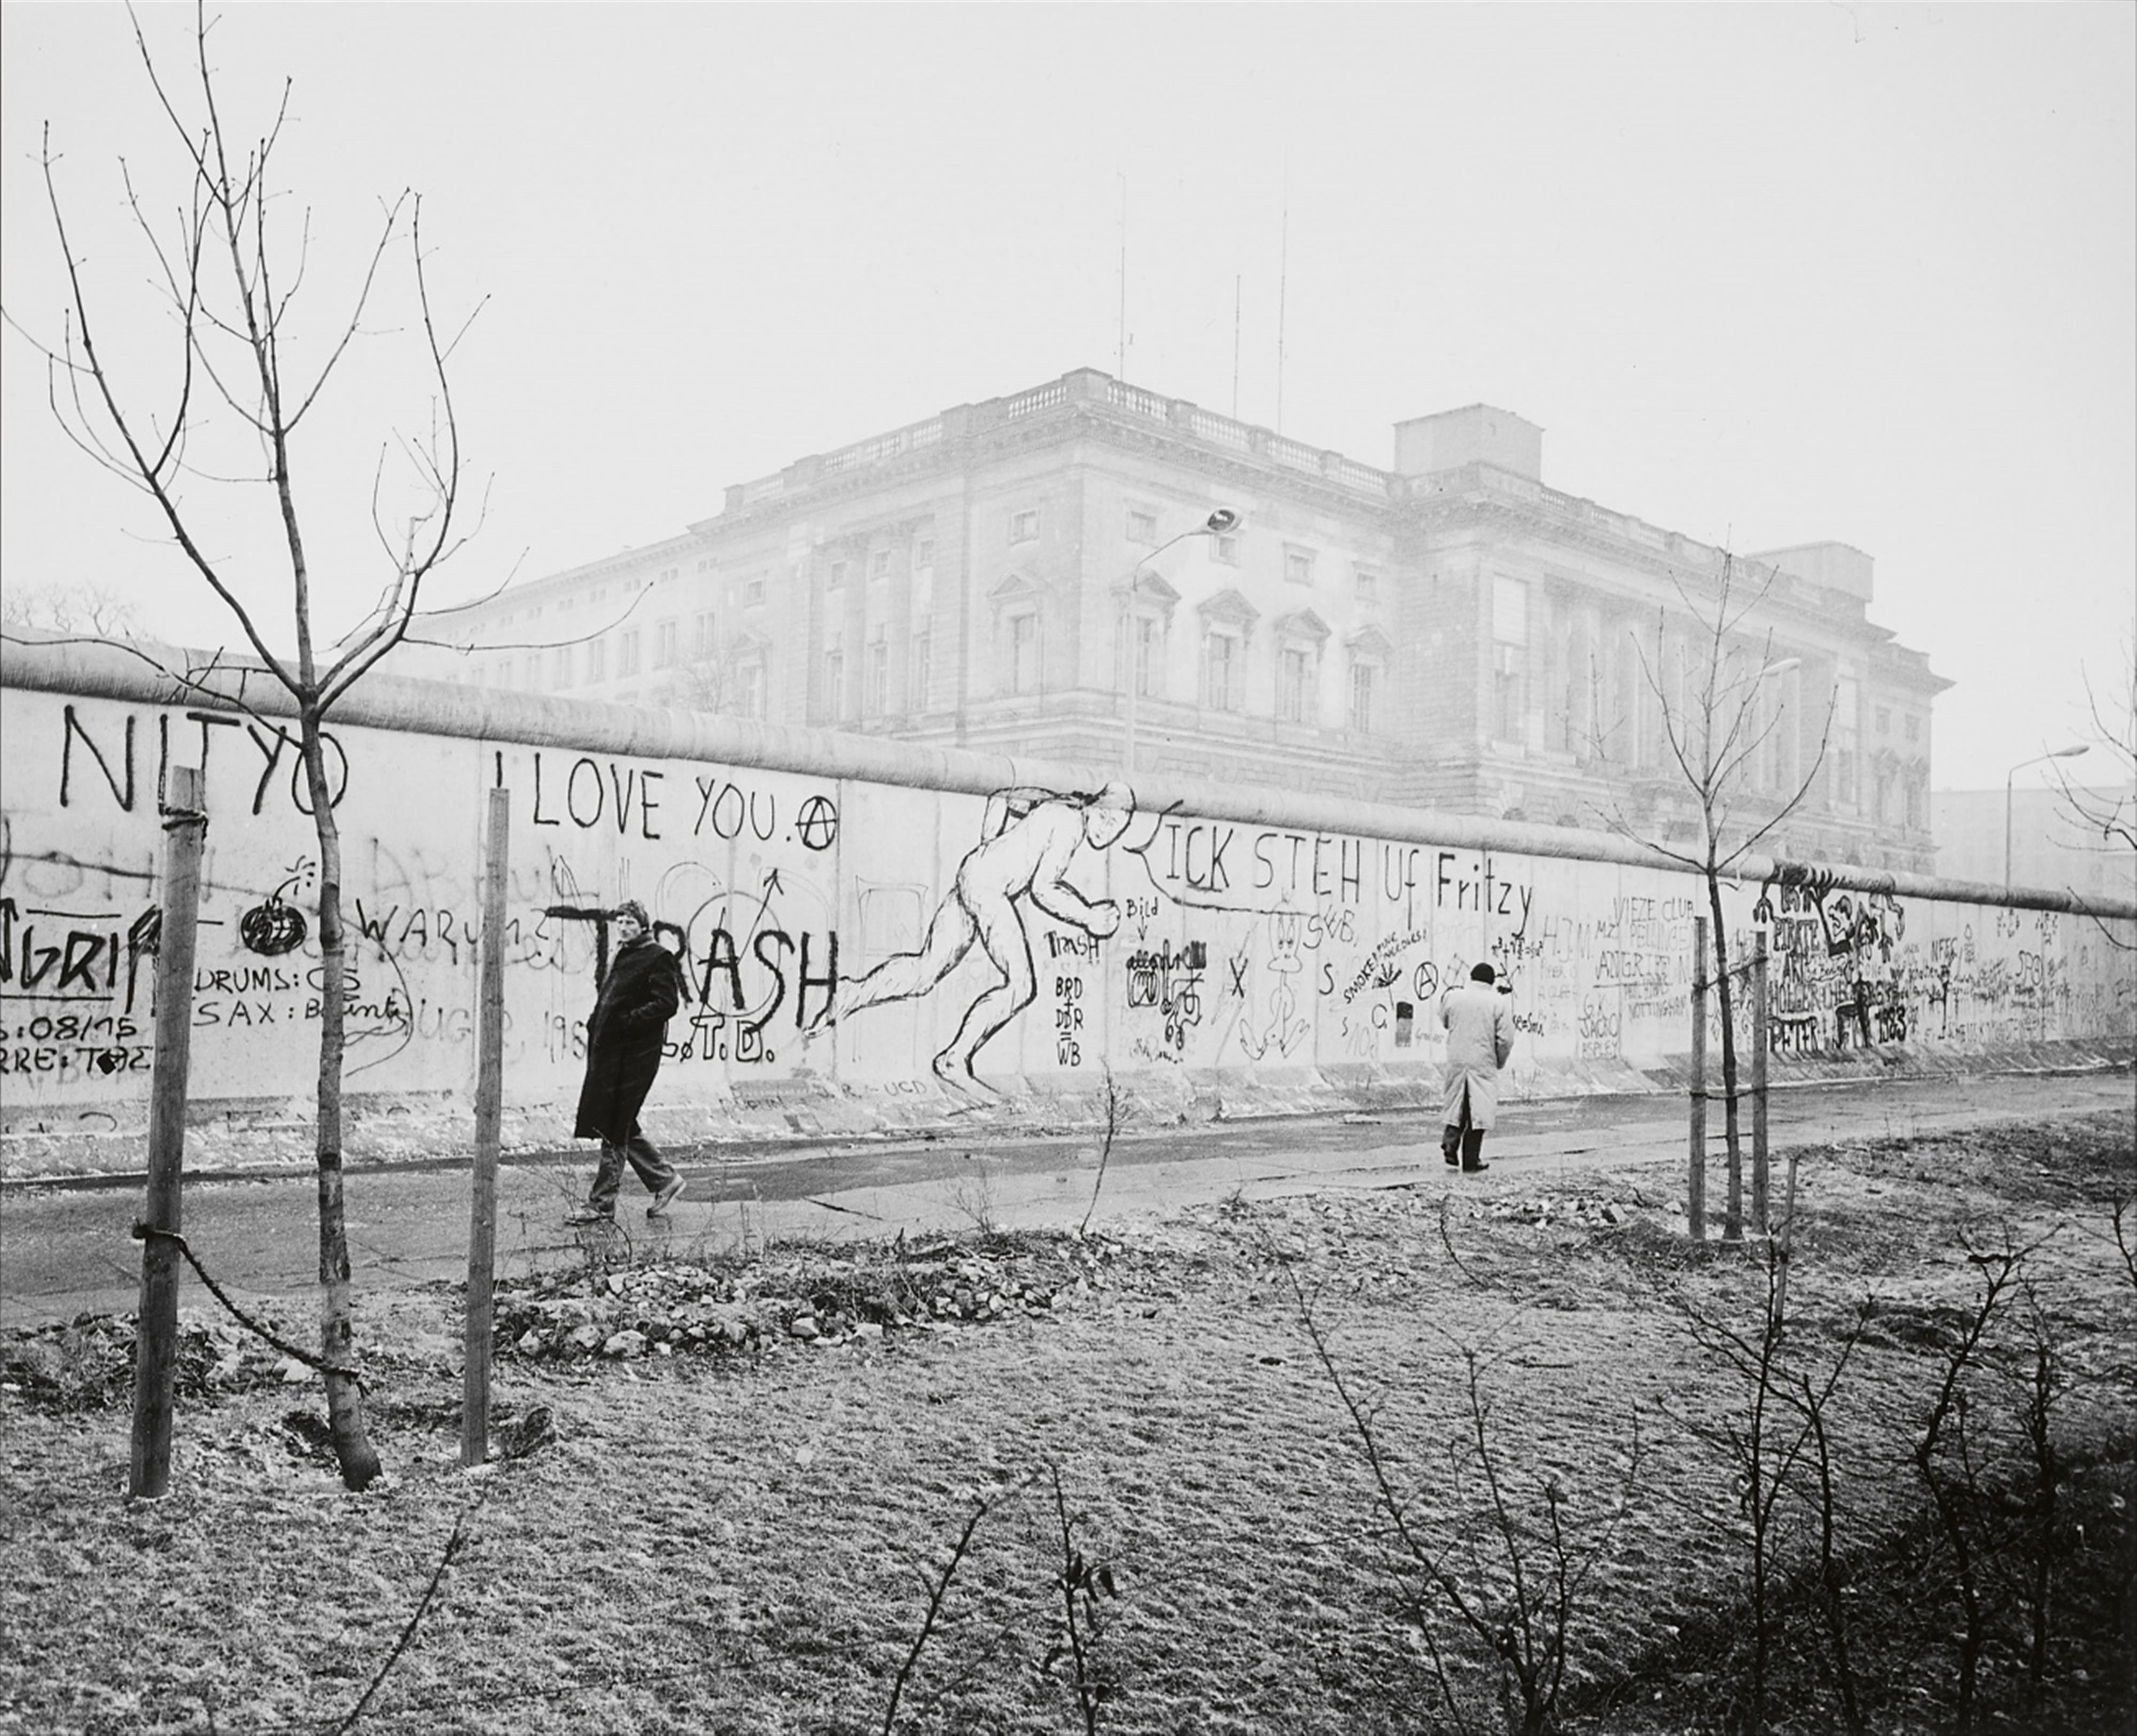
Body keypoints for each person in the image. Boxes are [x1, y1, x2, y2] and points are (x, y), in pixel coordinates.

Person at [823, 782, 1131, 1097]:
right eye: (1109, 820)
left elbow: (1002, 797)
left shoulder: (1056, 804)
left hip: (974, 873)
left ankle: (850, 994)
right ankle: (954, 1060)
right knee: (1020, 986)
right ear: (1096, 806)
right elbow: (1043, 889)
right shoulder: (1069, 825)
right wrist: (1088, 916)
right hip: (988, 890)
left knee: (925, 972)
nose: (1109, 832)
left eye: (1118, 828)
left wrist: (990, 847)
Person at [569, 900, 688, 1223]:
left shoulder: (657, 957)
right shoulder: (622, 953)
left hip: (634, 1058)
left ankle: (602, 1202)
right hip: (612, 1055)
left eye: (630, 923)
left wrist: (627, 1021)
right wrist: (597, 1024)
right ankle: (665, 1180)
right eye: (620, 921)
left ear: (643, 927)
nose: (623, 928)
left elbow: (666, 1004)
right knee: (620, 1123)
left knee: (614, 1125)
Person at [1440, 961, 1516, 1174]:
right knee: (1479, 1110)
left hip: (1456, 1057)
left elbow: (1445, 1020)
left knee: (1458, 1102)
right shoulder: (1498, 1002)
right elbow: (1506, 1039)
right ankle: (1471, 1160)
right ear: (1491, 982)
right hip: (1482, 1059)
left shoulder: (1453, 997)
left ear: (1471, 978)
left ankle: (1450, 1141)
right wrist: (1499, 1061)